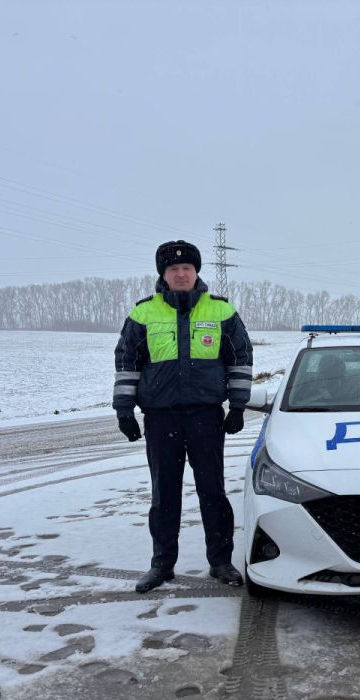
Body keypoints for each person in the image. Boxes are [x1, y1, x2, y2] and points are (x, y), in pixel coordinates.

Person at [113, 240, 253, 593]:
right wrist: (124, 410)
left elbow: (240, 360)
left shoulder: (221, 310)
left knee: (213, 491)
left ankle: (220, 561)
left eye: (186, 268)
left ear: (196, 272)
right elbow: (127, 363)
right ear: (163, 274)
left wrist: (237, 407)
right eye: (173, 269)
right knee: (164, 494)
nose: (180, 274)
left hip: (206, 416)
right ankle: (162, 564)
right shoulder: (143, 313)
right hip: (161, 418)